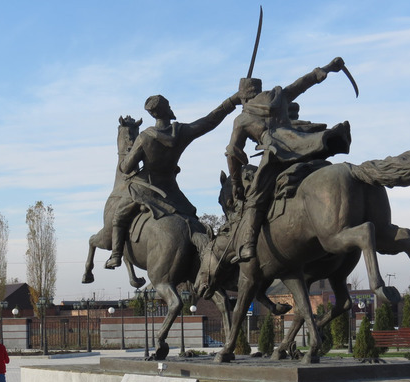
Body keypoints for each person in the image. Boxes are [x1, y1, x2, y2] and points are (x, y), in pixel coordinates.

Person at [226, 57, 352, 262]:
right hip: (302, 145)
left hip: (277, 154)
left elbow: (233, 152)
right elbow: (303, 83)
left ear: (243, 97)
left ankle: (248, 245)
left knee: (255, 198)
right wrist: (329, 67)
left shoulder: (241, 119)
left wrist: (235, 183)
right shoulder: (280, 96)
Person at [104, 92, 240, 269]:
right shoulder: (181, 132)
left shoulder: (144, 137)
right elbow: (209, 121)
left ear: (153, 114)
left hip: (145, 190)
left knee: (119, 217)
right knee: (191, 218)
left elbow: (126, 168)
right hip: (172, 192)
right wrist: (232, 101)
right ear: (167, 110)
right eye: (168, 106)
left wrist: (126, 158)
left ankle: (116, 256)